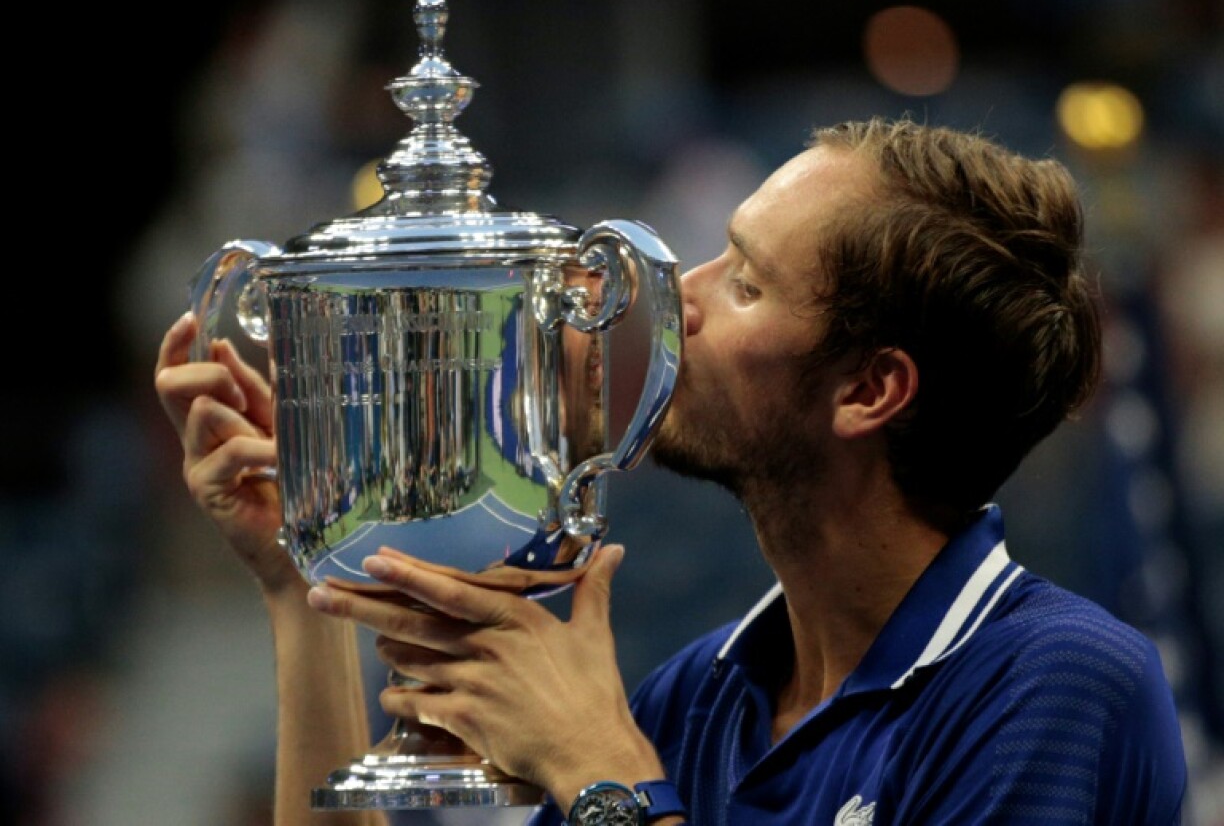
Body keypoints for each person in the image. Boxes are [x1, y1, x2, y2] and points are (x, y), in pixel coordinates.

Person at [155, 117, 1188, 825]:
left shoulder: (1055, 681)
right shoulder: (697, 700)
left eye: (745, 282)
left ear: (869, 390)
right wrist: (300, 584)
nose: (680, 294)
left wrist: (601, 774)